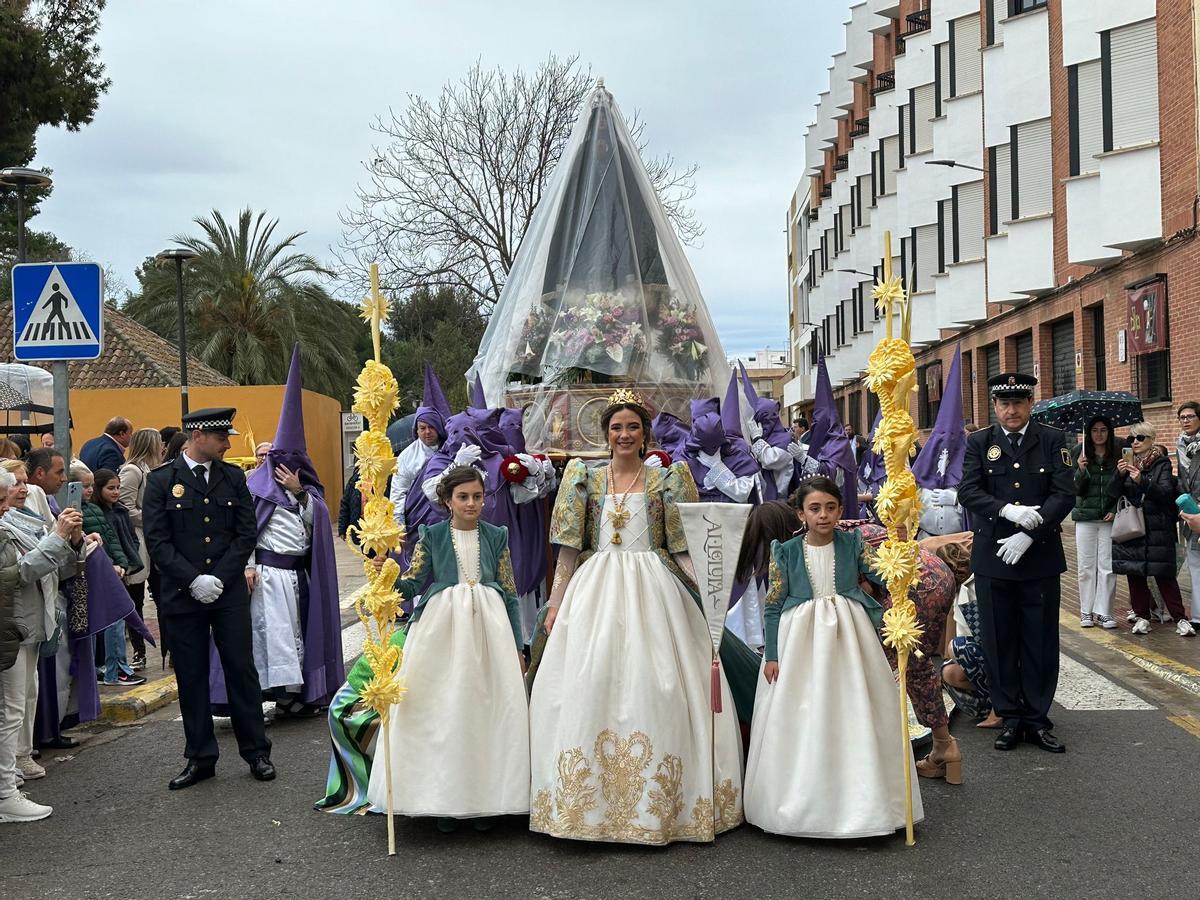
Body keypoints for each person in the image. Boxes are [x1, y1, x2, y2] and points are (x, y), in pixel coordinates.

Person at [528, 390, 747, 846]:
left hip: (655, 588)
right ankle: (585, 807)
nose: (624, 434)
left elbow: (681, 548)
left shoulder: (667, 479)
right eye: (616, 427)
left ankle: (662, 805)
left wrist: (706, 598)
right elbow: (568, 551)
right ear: (605, 433)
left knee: (659, 686)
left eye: (632, 427)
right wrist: (554, 605)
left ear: (644, 434)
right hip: (595, 589)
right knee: (586, 684)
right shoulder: (581, 479)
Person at [743, 476, 923, 838]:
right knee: (801, 711)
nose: (823, 515)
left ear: (841, 510)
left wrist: (897, 559)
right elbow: (775, 605)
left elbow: (883, 574)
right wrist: (773, 654)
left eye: (830, 507)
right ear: (801, 514)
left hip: (849, 636)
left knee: (855, 707)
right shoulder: (786, 551)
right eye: (815, 509)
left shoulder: (853, 543)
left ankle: (866, 800)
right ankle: (801, 802)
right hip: (801, 640)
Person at [365, 466, 528, 831]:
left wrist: (517, 645)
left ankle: (488, 800)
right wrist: (385, 572)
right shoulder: (433, 536)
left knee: (486, 711)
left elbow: (510, 591)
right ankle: (442, 801)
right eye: (463, 497)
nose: (472, 503)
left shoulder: (496, 536)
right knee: (443, 709)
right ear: (447, 501)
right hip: (441, 632)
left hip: (491, 631)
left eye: (477, 497)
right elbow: (412, 584)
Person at [142, 407, 274, 790]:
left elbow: (246, 534)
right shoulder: (162, 481)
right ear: (198, 435)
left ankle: (257, 752)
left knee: (241, 670)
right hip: (183, 595)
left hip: (227, 591)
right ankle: (200, 756)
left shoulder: (233, 478)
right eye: (222, 438)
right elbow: (158, 540)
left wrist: (218, 577)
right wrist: (193, 578)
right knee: (192, 675)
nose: (228, 444)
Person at [220, 346, 343, 718]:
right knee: (271, 639)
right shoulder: (256, 489)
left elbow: (316, 523)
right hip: (268, 576)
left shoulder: (307, 492)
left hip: (297, 576)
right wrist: (249, 564)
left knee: (296, 635)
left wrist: (298, 491)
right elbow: (245, 532)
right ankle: (272, 695)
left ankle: (296, 694)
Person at [957, 373, 1075, 753]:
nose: (1011, 410)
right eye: (1004, 404)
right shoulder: (979, 442)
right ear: (994, 407)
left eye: (1019, 403)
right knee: (999, 639)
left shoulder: (1052, 440)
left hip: (1038, 557)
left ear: (1030, 404)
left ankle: (1037, 719)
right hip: (995, 558)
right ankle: (1009, 717)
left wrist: (1031, 532)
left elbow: (1064, 493)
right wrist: (1007, 510)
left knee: (1039, 641)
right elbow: (968, 491)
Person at [0, 470, 83, 824]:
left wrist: (69, 539)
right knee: (10, 712)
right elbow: (20, 572)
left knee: (16, 708)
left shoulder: (14, 521)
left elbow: (48, 561)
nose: (21, 491)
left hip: (26, 627)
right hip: (12, 630)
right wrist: (58, 536)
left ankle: (12, 778)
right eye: (13, 487)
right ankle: (5, 794)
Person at [1110, 422, 1192, 636]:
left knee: (1164, 574)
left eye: (1140, 438)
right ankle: (1142, 616)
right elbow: (1112, 493)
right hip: (1132, 526)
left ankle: (1180, 618)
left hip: (1157, 526)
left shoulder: (1161, 463)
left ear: (1151, 440)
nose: (1135, 442)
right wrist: (1119, 475)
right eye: (1131, 439)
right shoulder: (1125, 462)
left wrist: (1142, 480)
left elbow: (1165, 493)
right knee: (1134, 573)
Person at [79, 465, 145, 687]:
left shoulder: (106, 510)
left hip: (117, 569)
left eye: (118, 488)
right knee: (111, 621)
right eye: (85, 486)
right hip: (100, 573)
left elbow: (114, 540)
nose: (116, 492)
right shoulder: (83, 511)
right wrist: (113, 564)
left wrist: (123, 562)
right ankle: (113, 670)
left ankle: (114, 669)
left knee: (119, 618)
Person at [119, 429, 163, 670]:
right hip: (137, 542)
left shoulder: (147, 470)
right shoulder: (132, 471)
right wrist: (154, 518)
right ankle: (139, 651)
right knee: (135, 599)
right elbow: (126, 507)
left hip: (149, 541)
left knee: (158, 596)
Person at [1072, 415, 1119, 629]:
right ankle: (1086, 611)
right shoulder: (1078, 454)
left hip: (1108, 519)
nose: (1099, 434)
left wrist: (1113, 509)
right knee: (1086, 567)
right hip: (1085, 518)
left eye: (1103, 430)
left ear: (1109, 433)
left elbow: (1121, 487)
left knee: (1107, 567)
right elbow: (1074, 490)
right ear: (1088, 434)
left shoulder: (1116, 455)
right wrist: (1081, 470)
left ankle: (1105, 612)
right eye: (1094, 430)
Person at [389, 364, 448, 528]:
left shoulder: (451, 450)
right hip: (418, 520)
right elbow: (399, 489)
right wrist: (398, 519)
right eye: (422, 428)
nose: (427, 432)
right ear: (416, 430)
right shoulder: (407, 456)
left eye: (431, 427)